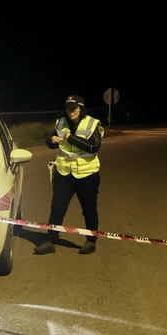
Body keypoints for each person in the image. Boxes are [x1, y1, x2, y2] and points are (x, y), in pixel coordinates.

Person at [34, 94, 103, 255]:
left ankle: (91, 240)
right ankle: (50, 240)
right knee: (57, 208)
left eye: (74, 108)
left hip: (87, 174)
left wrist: (70, 137)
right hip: (64, 172)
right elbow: (51, 142)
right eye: (68, 108)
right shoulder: (61, 122)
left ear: (81, 108)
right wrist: (51, 141)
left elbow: (94, 147)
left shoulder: (92, 123)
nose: (70, 111)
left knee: (89, 209)